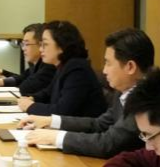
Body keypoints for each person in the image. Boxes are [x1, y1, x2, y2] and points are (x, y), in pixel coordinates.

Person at [21, 28, 152, 158]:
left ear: (130, 67)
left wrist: (57, 137)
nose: (104, 71)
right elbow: (99, 124)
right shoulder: (124, 91)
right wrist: (50, 121)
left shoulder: (147, 99)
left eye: (108, 63)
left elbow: (108, 143)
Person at [15, 21, 106, 118]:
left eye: (45, 44)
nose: (41, 49)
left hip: (82, 126)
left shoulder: (77, 70)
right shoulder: (63, 65)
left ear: (62, 46)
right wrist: (32, 99)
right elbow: (47, 93)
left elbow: (62, 111)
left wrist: (30, 106)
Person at [0, 22, 55, 96]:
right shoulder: (35, 65)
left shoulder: (49, 67)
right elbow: (21, 78)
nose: (23, 48)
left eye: (27, 44)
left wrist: (2, 78)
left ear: (40, 45)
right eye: (23, 44)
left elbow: (25, 88)